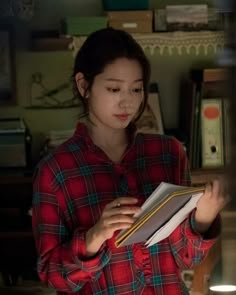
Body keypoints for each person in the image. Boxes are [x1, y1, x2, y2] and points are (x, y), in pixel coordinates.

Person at [32, 28, 228, 295]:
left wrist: (203, 218)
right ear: (83, 85)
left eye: (136, 89)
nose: (128, 102)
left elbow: (185, 258)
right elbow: (53, 276)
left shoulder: (168, 153)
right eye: (114, 88)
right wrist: (95, 236)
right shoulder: (55, 171)